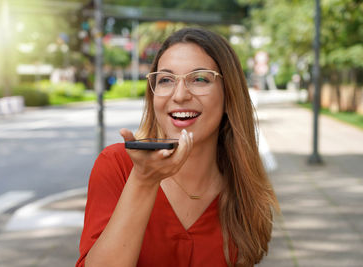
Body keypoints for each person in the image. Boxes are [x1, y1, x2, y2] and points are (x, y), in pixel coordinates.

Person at [76, 27, 279, 267]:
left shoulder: (242, 190)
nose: (180, 95)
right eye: (166, 80)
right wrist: (143, 181)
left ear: (229, 95)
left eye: (200, 79)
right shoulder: (117, 165)